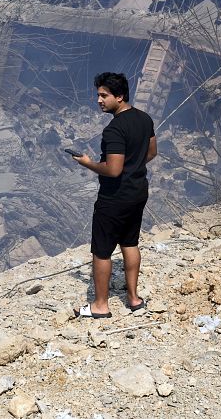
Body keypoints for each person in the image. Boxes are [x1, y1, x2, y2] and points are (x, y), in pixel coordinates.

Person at [69, 72, 157, 318]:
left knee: (102, 250)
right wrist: (135, 165)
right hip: (138, 193)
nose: (99, 100)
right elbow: (152, 152)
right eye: (98, 95)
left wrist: (87, 163)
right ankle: (134, 299)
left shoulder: (114, 130)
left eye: (104, 95)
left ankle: (100, 306)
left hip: (114, 198)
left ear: (119, 97)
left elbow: (113, 169)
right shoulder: (144, 118)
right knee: (130, 242)